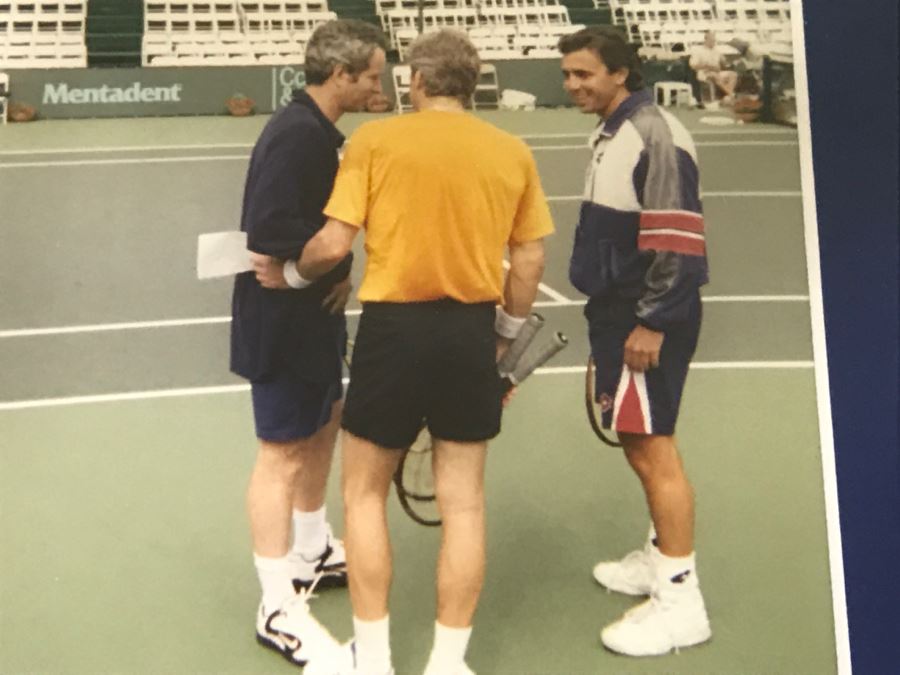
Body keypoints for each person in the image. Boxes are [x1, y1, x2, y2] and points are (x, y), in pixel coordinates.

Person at [254, 28, 554, 675]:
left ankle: (377, 660)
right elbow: (529, 256)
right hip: (471, 332)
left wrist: (295, 277)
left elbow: (333, 245)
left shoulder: (373, 140)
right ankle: (448, 662)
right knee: (465, 503)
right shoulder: (511, 150)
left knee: (362, 497)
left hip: (392, 334)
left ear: (416, 81)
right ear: (471, 84)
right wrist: (503, 333)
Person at [231, 19, 387, 667]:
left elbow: (323, 226)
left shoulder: (320, 133)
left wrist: (337, 267)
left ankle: (312, 547)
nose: (381, 85)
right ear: (340, 75)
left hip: (312, 316)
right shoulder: (299, 135)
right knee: (281, 454)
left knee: (324, 421)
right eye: (372, 76)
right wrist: (305, 265)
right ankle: (275, 602)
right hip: (281, 321)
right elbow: (268, 229)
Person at [558, 26, 712, 656]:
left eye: (583, 74)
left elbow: (676, 239)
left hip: (644, 316)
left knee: (653, 447)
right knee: (635, 437)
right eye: (567, 74)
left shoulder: (656, 133)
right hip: (616, 309)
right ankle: (657, 559)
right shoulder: (615, 129)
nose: (571, 85)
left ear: (620, 73)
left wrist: (653, 320)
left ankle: (681, 601)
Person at [689, 30, 738, 106]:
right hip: (704, 73)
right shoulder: (698, 51)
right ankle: (731, 95)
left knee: (733, 74)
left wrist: (725, 62)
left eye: (714, 40)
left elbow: (724, 64)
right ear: (706, 40)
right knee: (714, 75)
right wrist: (708, 66)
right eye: (711, 40)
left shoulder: (716, 51)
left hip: (717, 72)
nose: (713, 42)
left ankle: (729, 95)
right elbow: (693, 65)